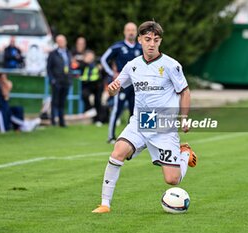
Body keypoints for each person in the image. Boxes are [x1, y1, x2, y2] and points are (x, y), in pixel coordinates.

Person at [92, 21, 197, 214]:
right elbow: (114, 88)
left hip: (164, 126)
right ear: (140, 39)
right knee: (117, 152)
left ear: (160, 41)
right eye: (147, 39)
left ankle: (184, 154)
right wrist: (112, 89)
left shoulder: (171, 65)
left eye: (155, 40)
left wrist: (184, 117)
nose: (151, 44)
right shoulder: (132, 66)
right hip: (141, 122)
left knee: (172, 180)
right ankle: (105, 204)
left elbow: (185, 91)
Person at [101, 22, 142, 144]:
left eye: (133, 30)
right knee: (117, 110)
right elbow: (103, 59)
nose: (131, 32)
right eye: (129, 30)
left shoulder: (140, 48)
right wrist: (112, 73)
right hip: (122, 85)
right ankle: (111, 136)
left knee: (134, 112)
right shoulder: (118, 46)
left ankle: (132, 138)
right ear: (124, 32)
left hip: (136, 85)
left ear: (136, 32)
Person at [47, 34, 72, 127]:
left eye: (63, 41)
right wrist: (52, 80)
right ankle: (53, 121)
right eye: (59, 41)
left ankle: (62, 121)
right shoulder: (53, 54)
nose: (61, 43)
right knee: (55, 102)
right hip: (56, 81)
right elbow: (49, 68)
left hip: (66, 81)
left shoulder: (68, 53)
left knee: (62, 102)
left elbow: (69, 66)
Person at [80, 50, 103, 124]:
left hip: (97, 84)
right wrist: (85, 62)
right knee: (84, 95)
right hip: (87, 84)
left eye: (91, 55)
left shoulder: (98, 63)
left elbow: (103, 73)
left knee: (98, 101)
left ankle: (98, 120)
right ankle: (90, 109)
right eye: (88, 56)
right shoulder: (83, 64)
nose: (90, 57)